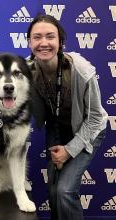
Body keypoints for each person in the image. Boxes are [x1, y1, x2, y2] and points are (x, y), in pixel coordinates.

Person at [26, 14, 108, 220]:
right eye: (37, 37)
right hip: (56, 127)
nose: (43, 43)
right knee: (54, 193)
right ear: (29, 42)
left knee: (64, 191)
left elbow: (97, 118)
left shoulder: (80, 69)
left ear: (60, 41)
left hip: (88, 128)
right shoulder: (26, 71)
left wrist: (70, 150)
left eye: (50, 37)